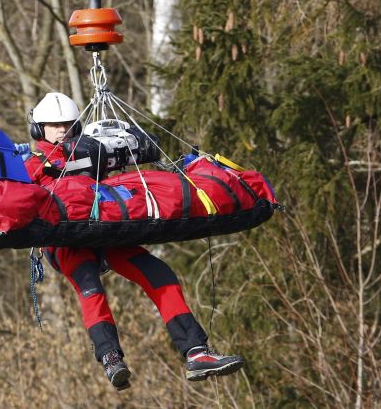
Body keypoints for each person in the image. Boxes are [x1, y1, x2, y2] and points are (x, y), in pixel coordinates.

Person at [22, 92, 245, 390]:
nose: (61, 130)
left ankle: (197, 351)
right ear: (40, 129)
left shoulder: (90, 151)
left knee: (159, 274)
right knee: (90, 284)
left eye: (67, 124)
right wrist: (62, 160)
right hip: (66, 240)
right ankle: (110, 356)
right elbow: (27, 184)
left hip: (105, 230)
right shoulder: (33, 162)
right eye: (53, 125)